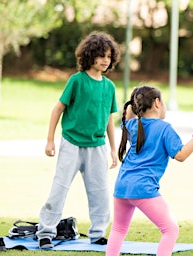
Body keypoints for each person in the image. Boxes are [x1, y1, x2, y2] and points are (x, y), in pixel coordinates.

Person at [105, 85, 193, 256]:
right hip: (143, 188)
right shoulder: (164, 128)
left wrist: (136, 96)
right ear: (157, 103)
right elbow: (180, 155)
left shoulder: (133, 125)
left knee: (118, 230)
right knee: (170, 229)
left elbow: (129, 115)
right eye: (162, 101)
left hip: (122, 186)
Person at [37, 31, 121, 249]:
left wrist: (113, 150)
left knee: (100, 191)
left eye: (109, 57)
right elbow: (57, 109)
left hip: (97, 147)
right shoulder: (76, 81)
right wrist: (50, 140)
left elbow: (109, 121)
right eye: (101, 55)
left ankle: (98, 233)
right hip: (71, 143)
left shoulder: (109, 87)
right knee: (60, 187)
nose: (105, 60)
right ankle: (46, 232)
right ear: (90, 55)